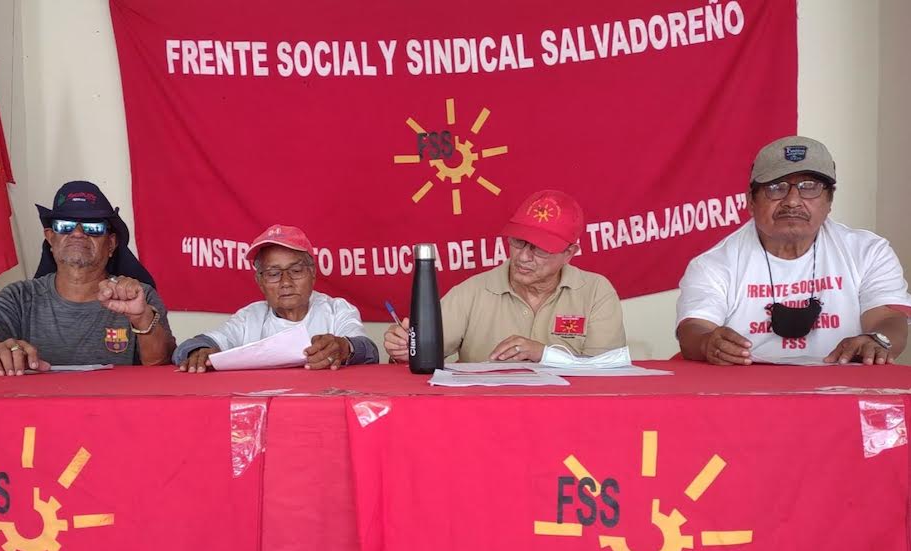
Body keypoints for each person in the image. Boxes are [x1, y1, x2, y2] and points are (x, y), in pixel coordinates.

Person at [676, 136, 911, 365]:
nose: (792, 201)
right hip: (747, 384)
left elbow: (888, 318)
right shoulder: (714, 263)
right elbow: (695, 328)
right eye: (776, 188)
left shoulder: (868, 252)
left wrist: (877, 340)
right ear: (751, 201)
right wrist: (707, 343)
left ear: (829, 201)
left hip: (845, 381)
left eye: (809, 187)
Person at [384, 189, 626, 363]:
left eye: (540, 249)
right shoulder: (472, 292)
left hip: (569, 415)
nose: (523, 257)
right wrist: (404, 349)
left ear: (569, 253)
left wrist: (543, 354)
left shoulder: (595, 292)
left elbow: (607, 371)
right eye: (518, 242)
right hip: (485, 414)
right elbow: (421, 352)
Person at [0, 180, 175, 375]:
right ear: (50, 238)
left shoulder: (137, 295)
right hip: (37, 405)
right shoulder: (18, 296)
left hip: (115, 404)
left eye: (93, 227)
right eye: (65, 225)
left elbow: (160, 365)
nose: (78, 233)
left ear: (111, 244)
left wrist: (142, 317)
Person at [174, 224, 379, 372]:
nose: (286, 282)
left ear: (313, 274)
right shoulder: (249, 318)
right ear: (260, 281)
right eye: (273, 274)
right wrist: (198, 351)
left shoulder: (337, 310)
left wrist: (344, 347)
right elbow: (189, 347)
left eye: (296, 271)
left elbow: (369, 351)